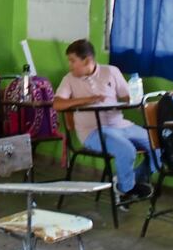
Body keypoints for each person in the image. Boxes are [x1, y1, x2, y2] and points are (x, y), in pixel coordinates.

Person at [52, 39, 155, 205]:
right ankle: (126, 190)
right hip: (93, 131)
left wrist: (144, 104)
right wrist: (87, 100)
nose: (70, 66)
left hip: (121, 125)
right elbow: (57, 104)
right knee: (127, 150)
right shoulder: (69, 79)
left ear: (87, 60)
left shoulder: (111, 72)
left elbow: (130, 97)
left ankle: (131, 181)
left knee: (157, 143)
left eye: (73, 61)